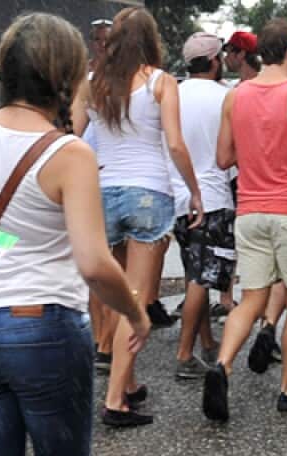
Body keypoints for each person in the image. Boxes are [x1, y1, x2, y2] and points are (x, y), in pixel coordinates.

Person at [0, 11, 151, 456]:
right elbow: (93, 261)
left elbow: (1, 232)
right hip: (45, 328)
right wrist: (136, 313)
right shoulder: (68, 152)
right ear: (63, 75)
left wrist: (13, 247)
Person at [72, 7, 204, 428]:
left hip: (102, 194)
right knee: (136, 300)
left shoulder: (92, 84)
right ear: (151, 38)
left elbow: (71, 138)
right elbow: (178, 146)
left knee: (116, 294)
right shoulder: (161, 82)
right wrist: (195, 192)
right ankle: (115, 401)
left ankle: (125, 382)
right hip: (148, 194)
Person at [204, 18, 287, 420]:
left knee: (253, 298)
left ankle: (222, 366)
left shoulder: (235, 97)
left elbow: (223, 158)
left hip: (250, 212)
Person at [170, 33, 234, 380]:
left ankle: (207, 343)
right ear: (213, 61)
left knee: (194, 270)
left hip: (180, 198)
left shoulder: (173, 96)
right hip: (212, 197)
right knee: (201, 277)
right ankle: (184, 354)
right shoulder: (226, 97)